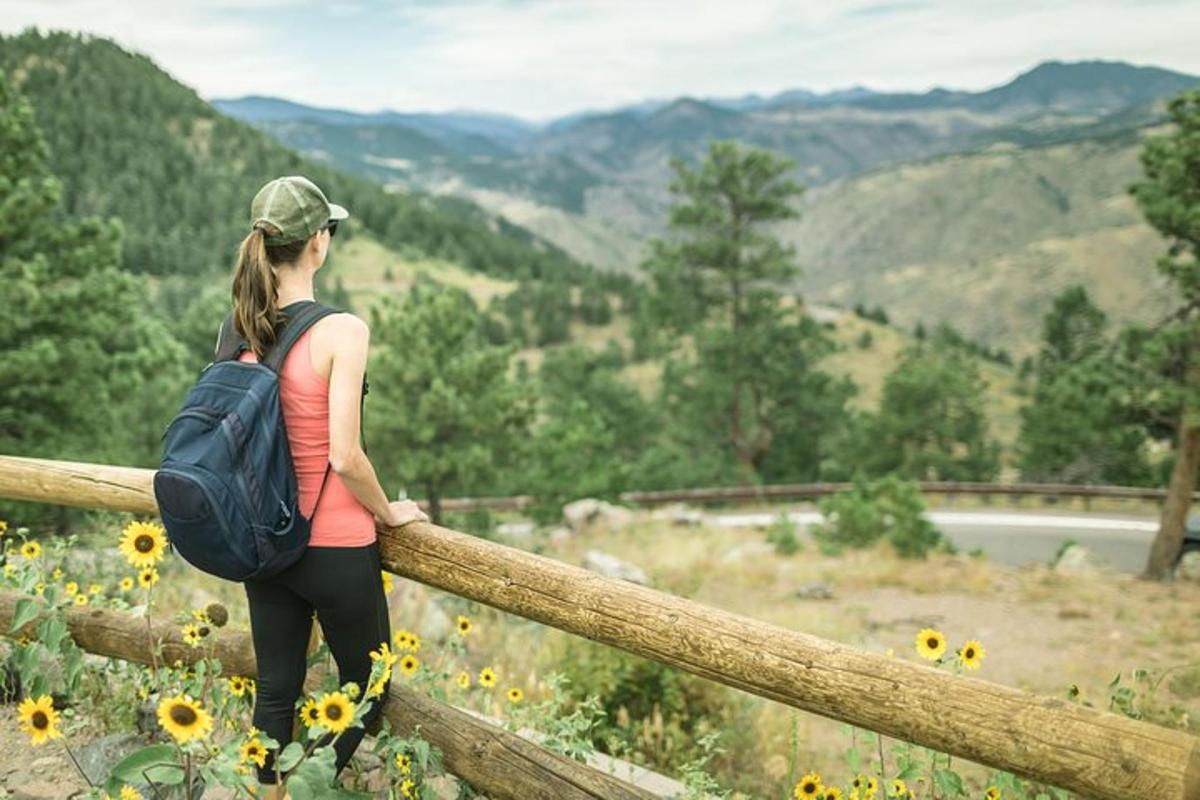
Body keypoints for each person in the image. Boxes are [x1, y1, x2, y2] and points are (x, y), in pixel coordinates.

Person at [227, 175, 428, 796]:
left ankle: (270, 790)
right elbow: (345, 454)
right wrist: (389, 514)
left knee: (277, 687)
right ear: (318, 243)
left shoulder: (237, 328)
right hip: (335, 542)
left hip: (263, 541)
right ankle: (312, 784)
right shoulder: (343, 330)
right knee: (370, 684)